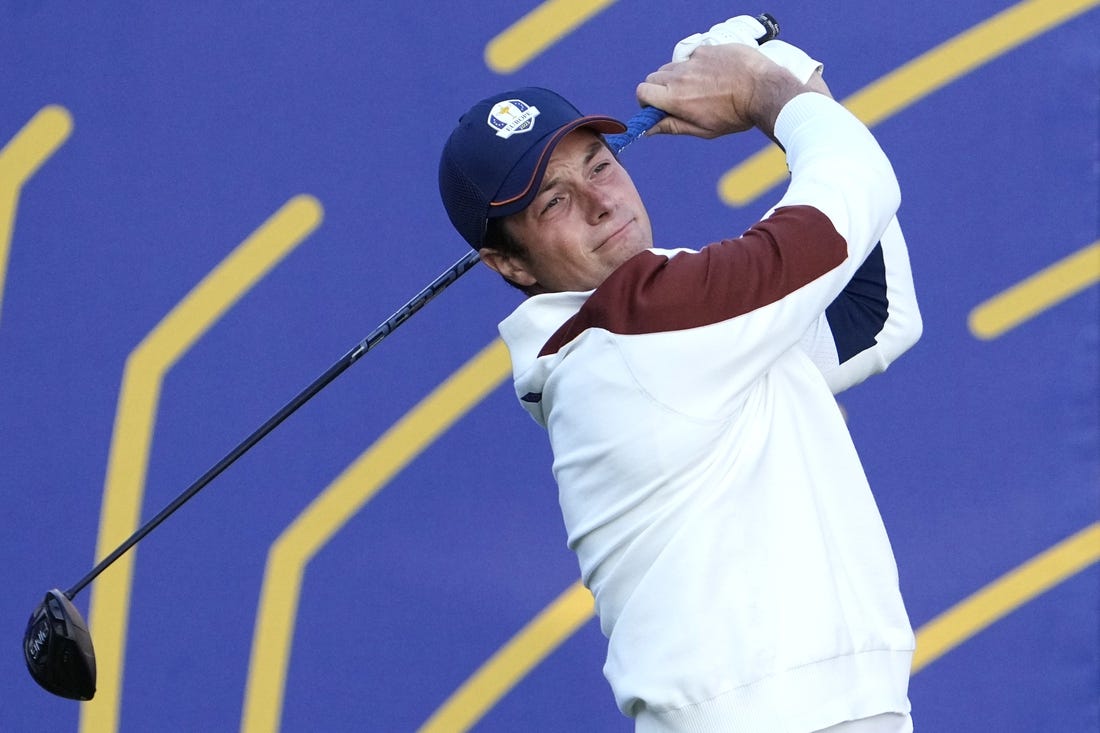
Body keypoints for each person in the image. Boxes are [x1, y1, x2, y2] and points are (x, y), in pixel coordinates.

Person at [438, 17, 921, 733]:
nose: (601, 200)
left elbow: (872, 312)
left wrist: (781, 75)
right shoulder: (636, 327)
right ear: (509, 264)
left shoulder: (674, 330)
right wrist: (763, 86)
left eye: (599, 165)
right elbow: (854, 189)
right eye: (554, 202)